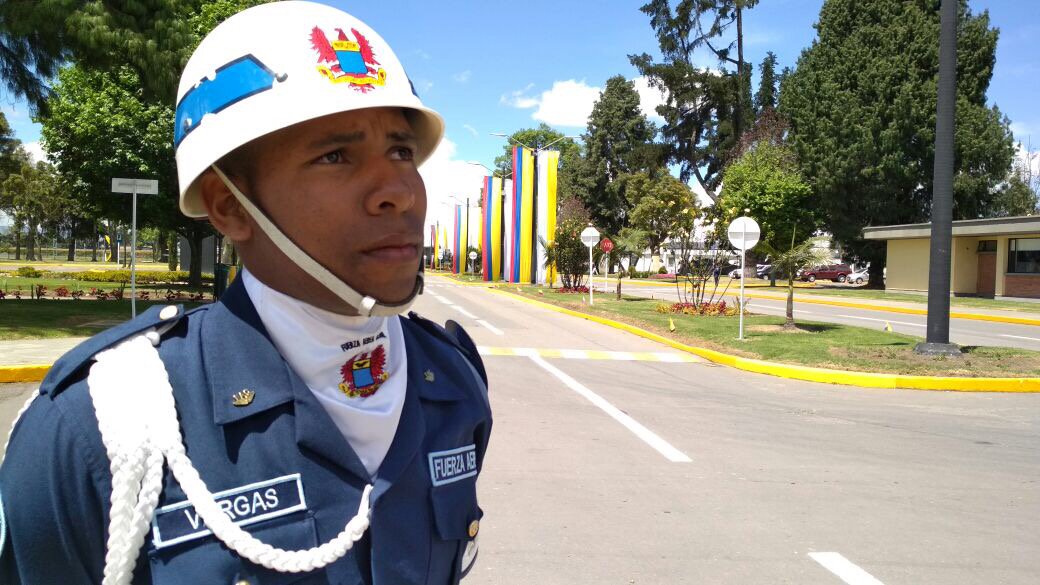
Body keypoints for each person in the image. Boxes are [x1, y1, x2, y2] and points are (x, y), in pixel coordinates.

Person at [0, 2, 491, 584]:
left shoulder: (453, 383)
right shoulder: (97, 428)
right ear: (230, 207)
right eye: (335, 156)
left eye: (402, 152)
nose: (398, 193)